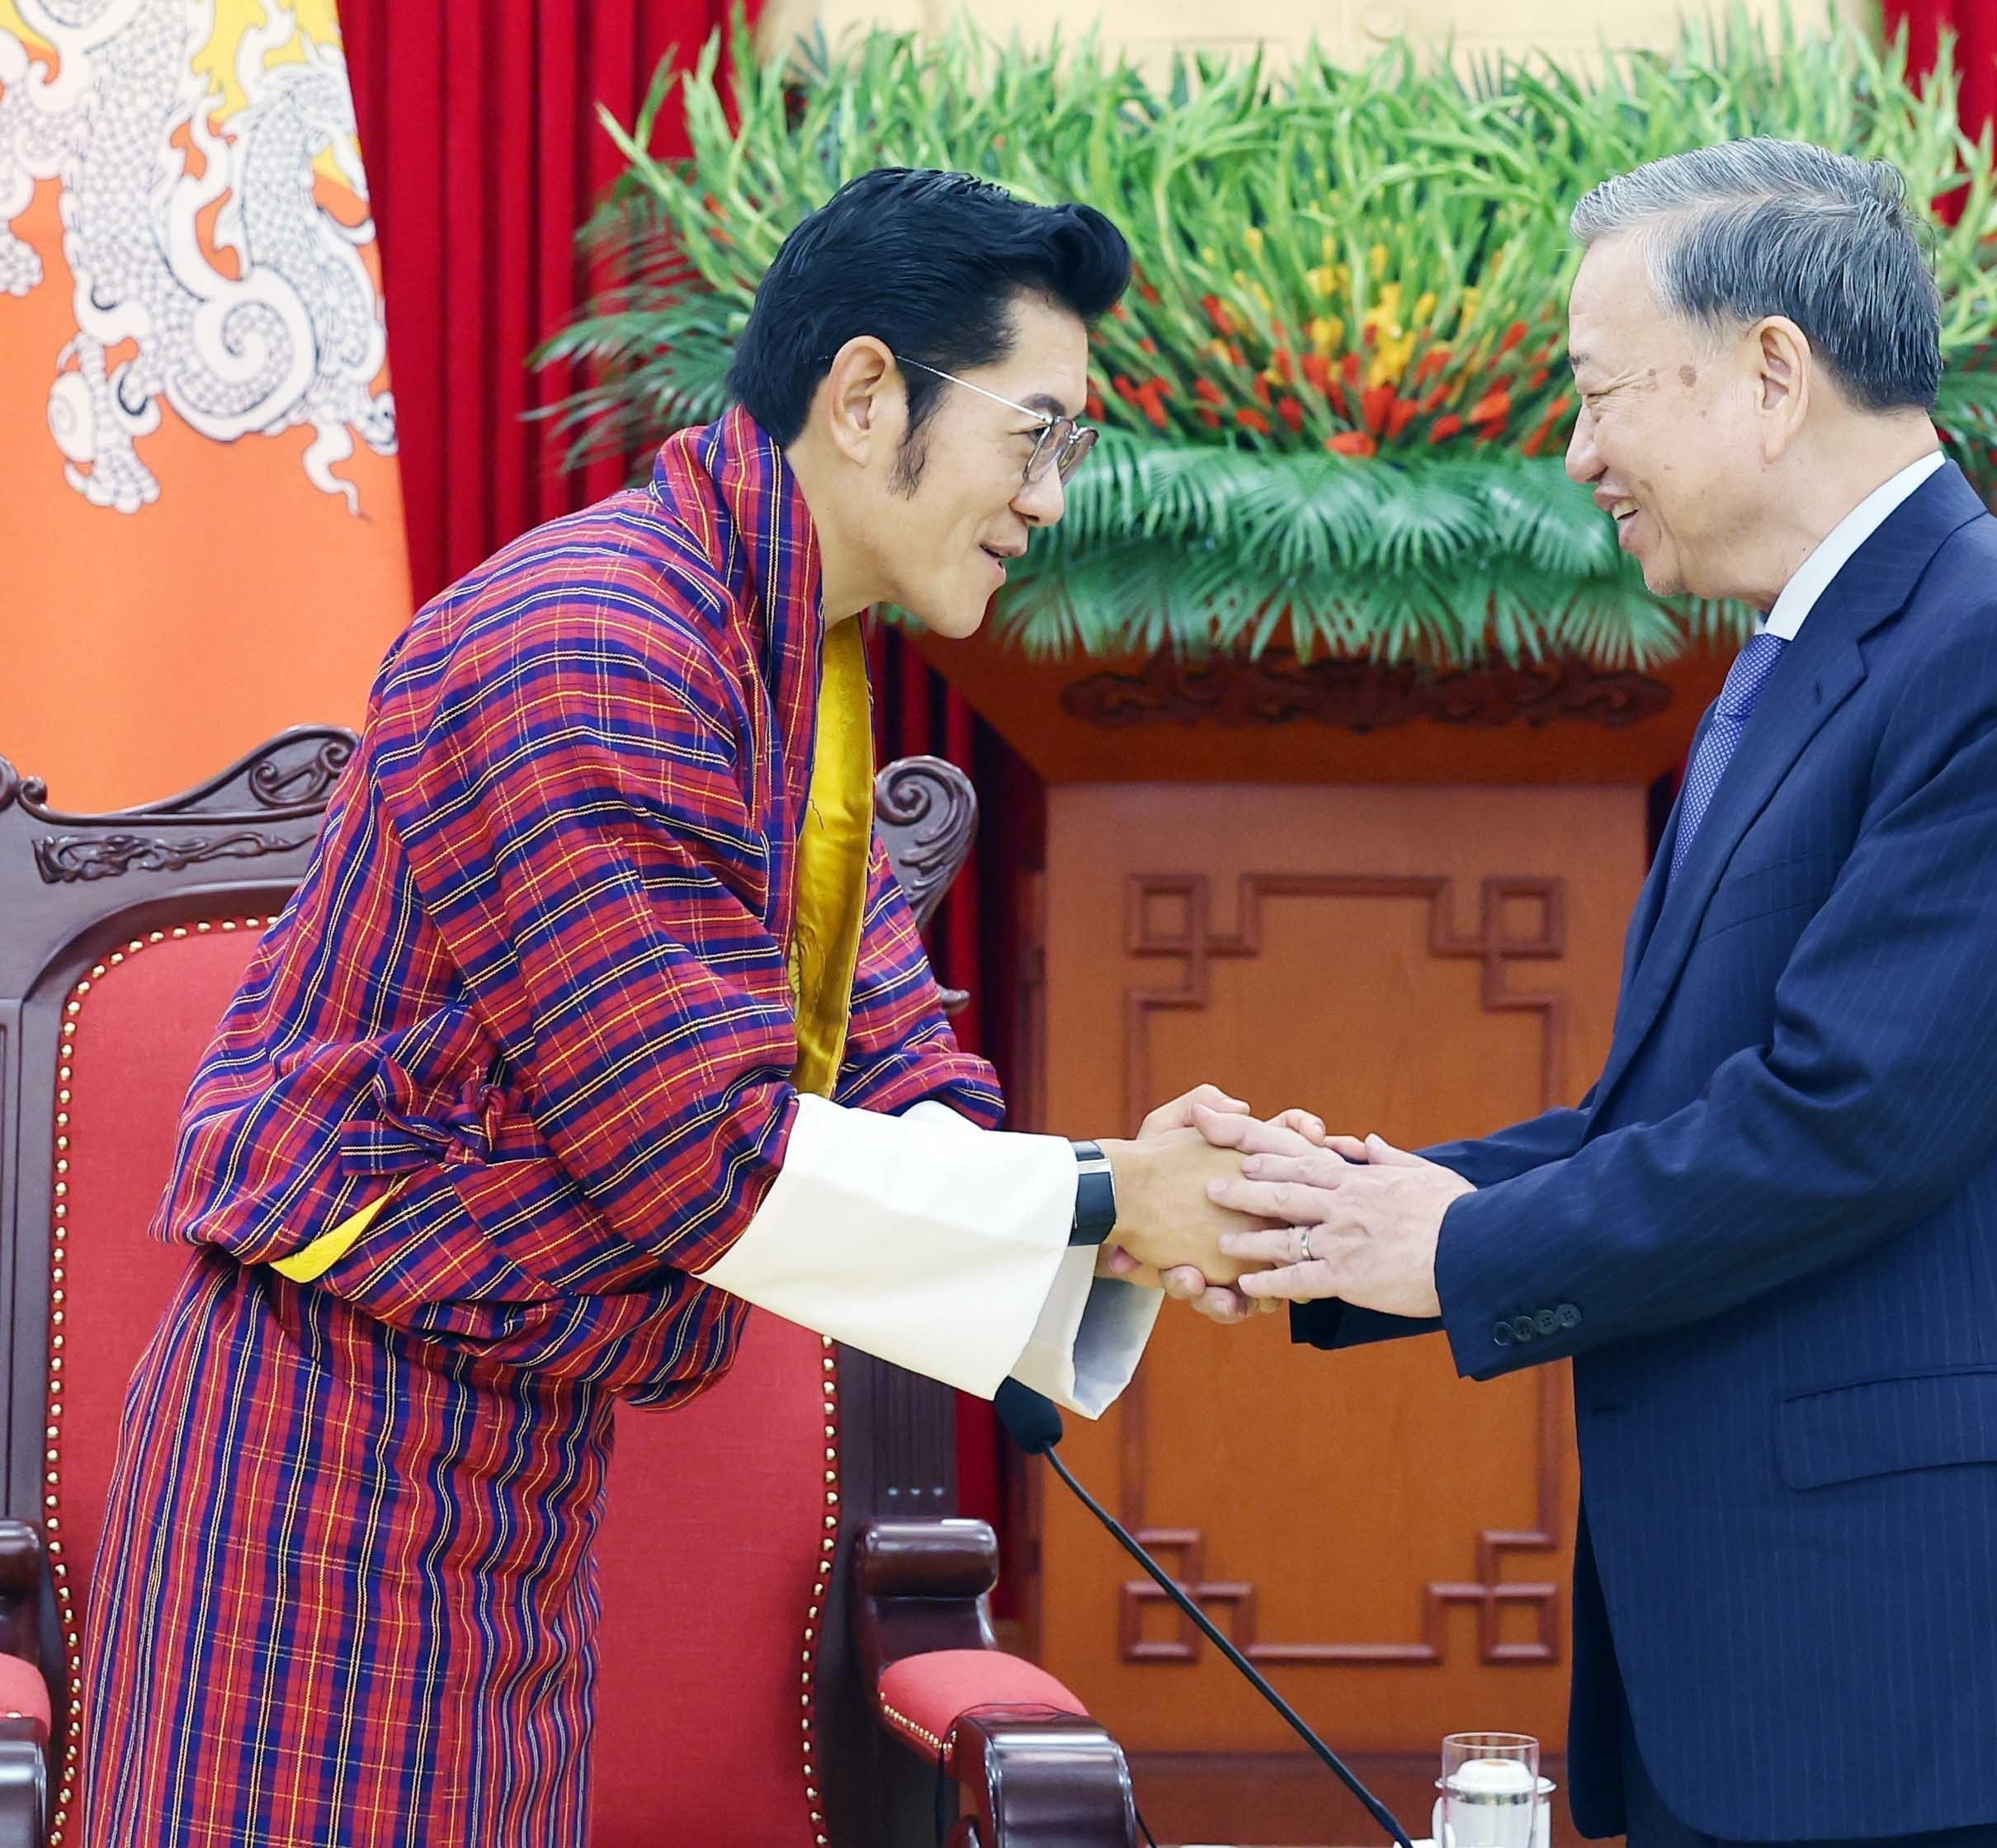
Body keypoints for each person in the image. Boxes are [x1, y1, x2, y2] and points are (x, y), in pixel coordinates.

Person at [82, 167, 1265, 1848]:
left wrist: (1128, 1213)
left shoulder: (772, 653)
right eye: (1036, 434)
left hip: (510, 1462)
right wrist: (1101, 1198)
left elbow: (889, 1047)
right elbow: (698, 1156)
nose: (1049, 497)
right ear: (869, 396)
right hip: (328, 1454)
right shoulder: (594, 642)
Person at [1184, 139, 1997, 1846]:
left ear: (1771, 373)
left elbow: (1851, 1121)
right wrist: (1328, 1217)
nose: (1577, 453)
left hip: (1951, 1689)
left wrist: (1458, 1250)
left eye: (1600, 392)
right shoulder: (1805, 662)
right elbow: (1686, 1111)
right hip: (1803, 1676)